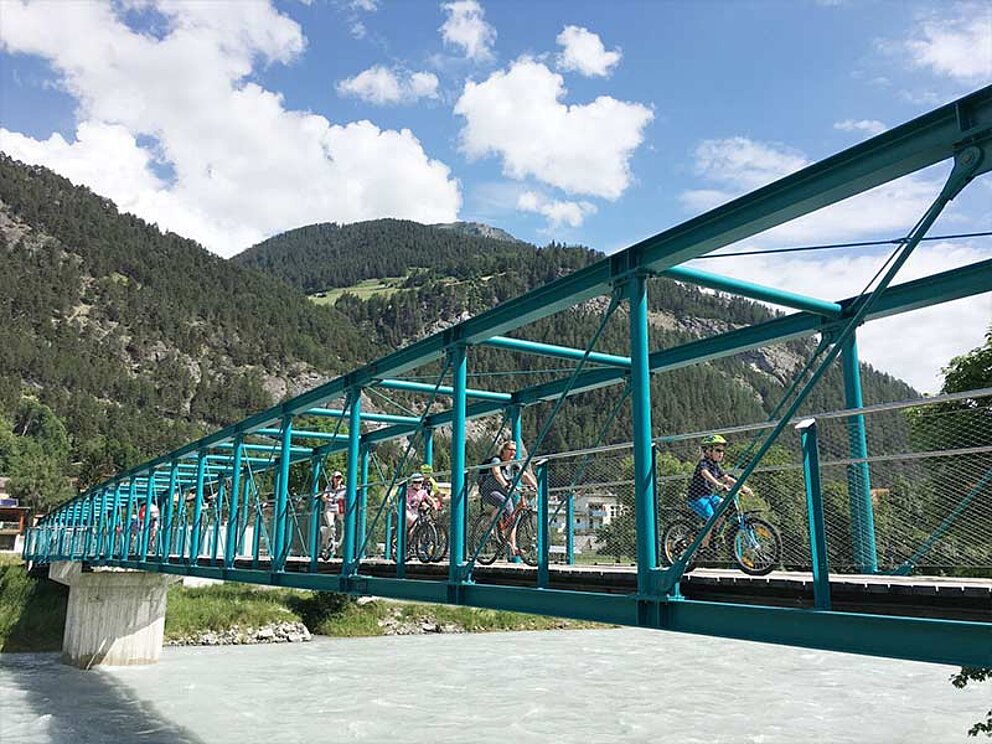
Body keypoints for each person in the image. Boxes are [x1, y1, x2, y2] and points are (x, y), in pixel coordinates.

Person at [687, 434, 752, 549]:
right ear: (707, 451)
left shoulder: (715, 466)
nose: (721, 453)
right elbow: (705, 473)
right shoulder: (703, 463)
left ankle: (714, 533)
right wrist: (718, 484)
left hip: (709, 496)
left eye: (722, 451)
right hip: (697, 498)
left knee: (724, 506)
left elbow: (727, 478)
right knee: (711, 518)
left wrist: (743, 487)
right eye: (718, 450)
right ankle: (704, 546)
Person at [478, 440, 537, 557]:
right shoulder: (497, 460)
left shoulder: (514, 464)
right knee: (505, 503)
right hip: (489, 491)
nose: (513, 452)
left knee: (513, 517)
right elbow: (496, 473)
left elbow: (524, 475)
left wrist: (535, 485)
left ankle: (513, 547)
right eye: (510, 450)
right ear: (503, 451)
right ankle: (490, 528)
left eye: (515, 450)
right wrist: (505, 483)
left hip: (503, 492)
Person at [319, 471, 346, 559]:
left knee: (342, 527)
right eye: (336, 477)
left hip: (339, 511)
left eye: (340, 477)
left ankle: (332, 543)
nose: (338, 479)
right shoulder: (329, 487)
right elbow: (323, 497)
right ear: (333, 479)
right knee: (331, 526)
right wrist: (328, 499)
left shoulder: (344, 488)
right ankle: (326, 543)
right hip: (329, 510)